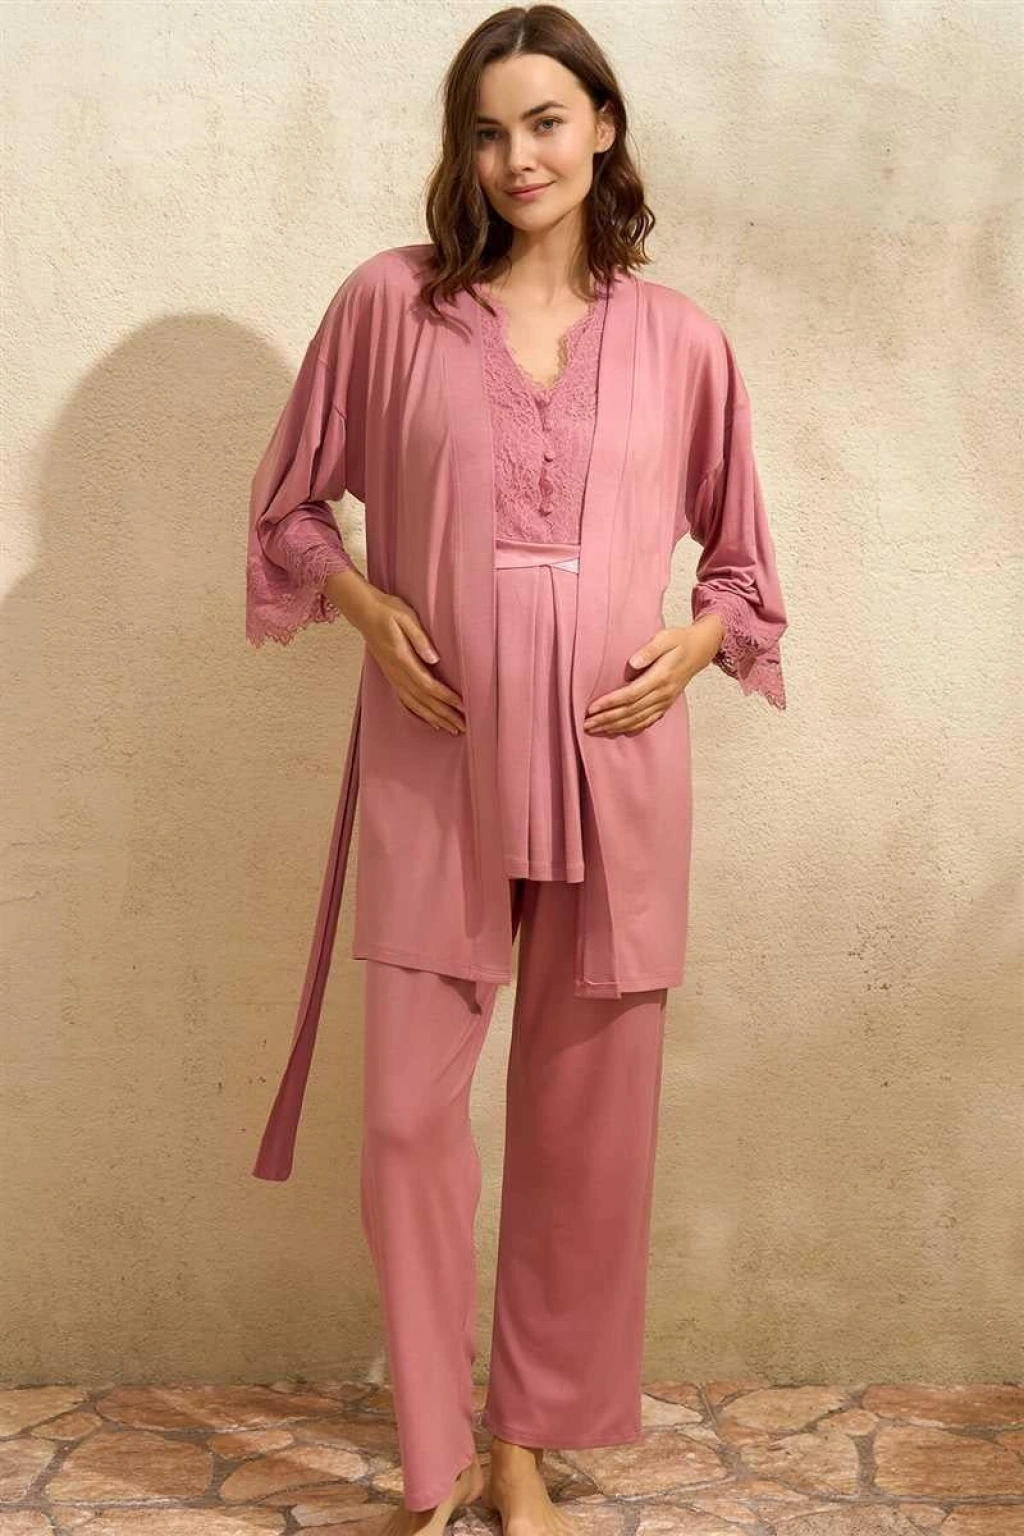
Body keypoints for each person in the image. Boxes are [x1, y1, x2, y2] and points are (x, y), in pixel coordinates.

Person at [245, 6, 788, 1533]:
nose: (517, 157)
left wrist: (694, 646)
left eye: (546, 122)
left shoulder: (683, 341)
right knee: (407, 1121)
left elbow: (744, 573)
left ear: (602, 126)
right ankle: (433, 1452)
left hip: (618, 767)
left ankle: (524, 1446)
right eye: (486, 131)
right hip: (441, 756)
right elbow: (290, 511)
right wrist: (367, 609)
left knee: (584, 1128)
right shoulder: (390, 308)